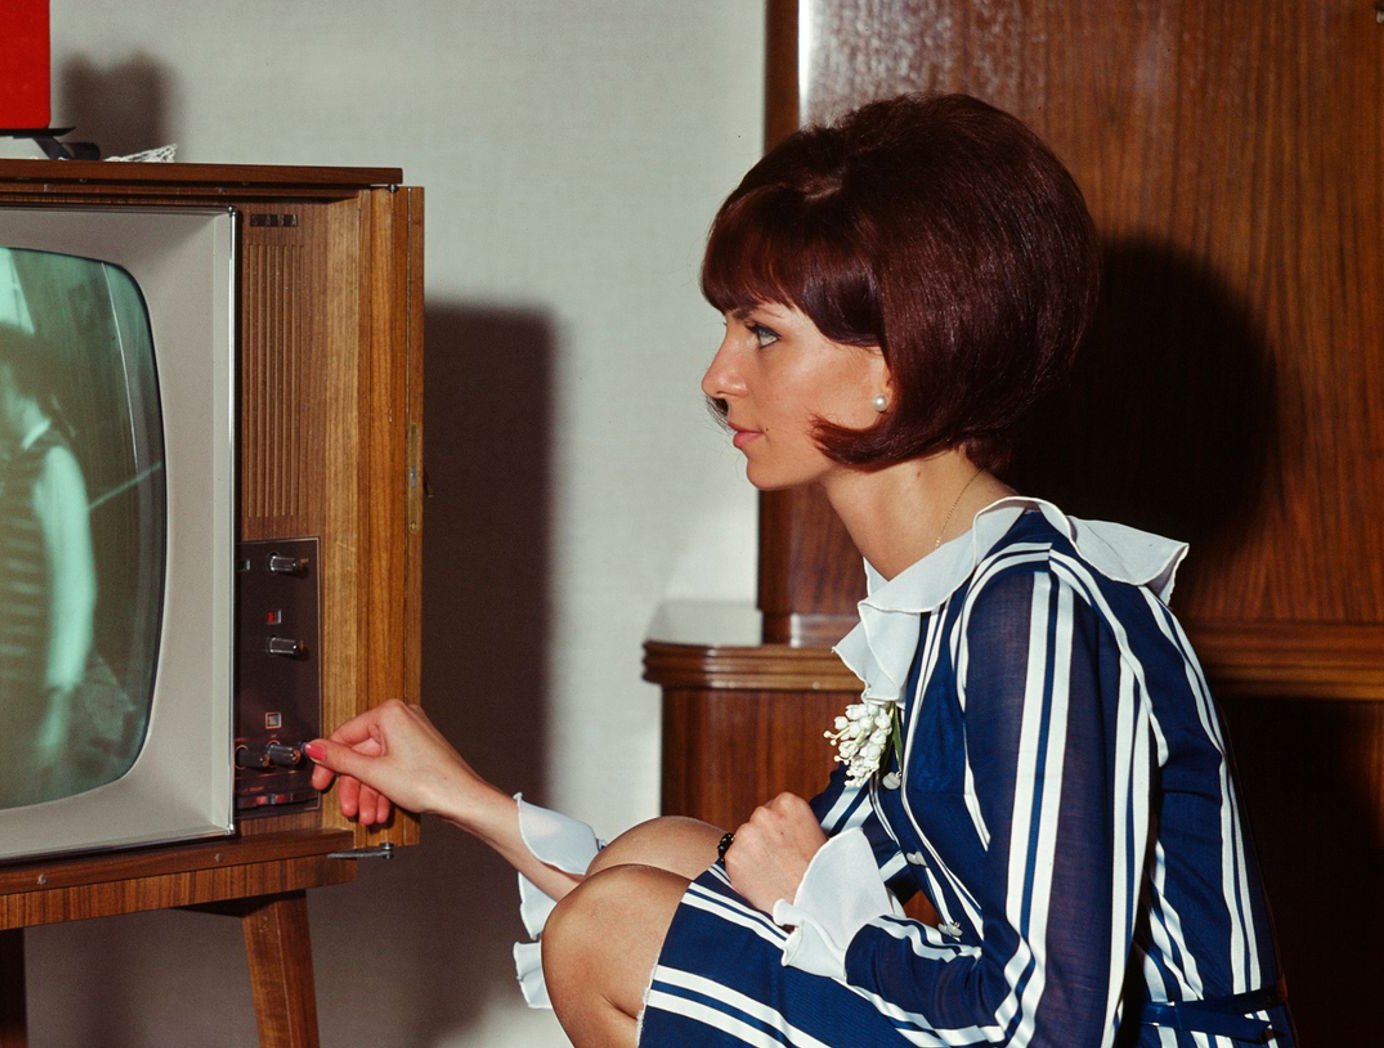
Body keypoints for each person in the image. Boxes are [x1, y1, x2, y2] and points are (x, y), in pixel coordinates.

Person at [307, 94, 1293, 1047]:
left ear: (894, 365)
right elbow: (727, 889)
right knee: (655, 858)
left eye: (763, 333)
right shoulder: (950, 601)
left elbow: (1049, 1027)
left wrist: (829, 905)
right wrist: (461, 796)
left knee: (612, 929)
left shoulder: (1033, 615)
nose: (717, 377)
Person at [0, 324, 98, 808]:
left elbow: (74, 589)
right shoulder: (19, 463)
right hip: (2, 693)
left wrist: (58, 703)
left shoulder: (54, 464)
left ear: (18, 389)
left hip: (33, 699)